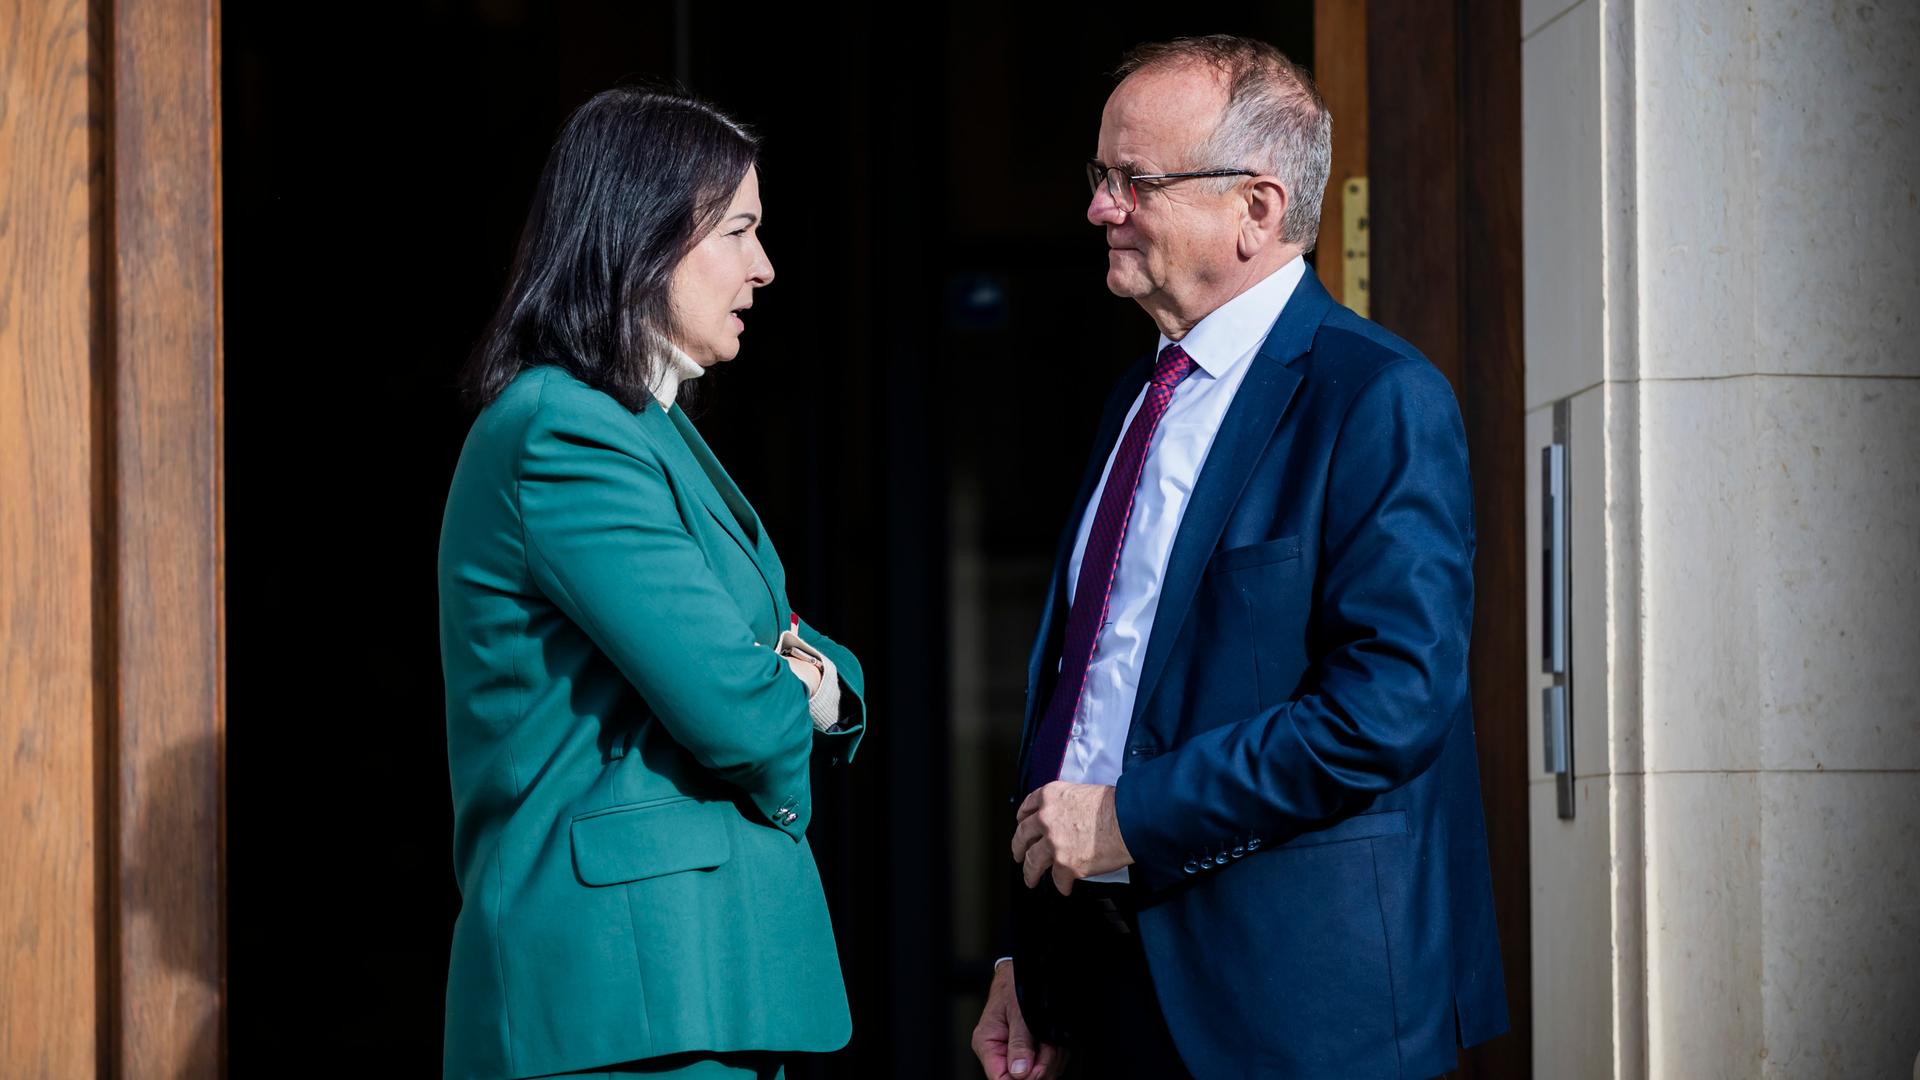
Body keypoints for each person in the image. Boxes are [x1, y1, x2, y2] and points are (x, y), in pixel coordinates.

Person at [970, 36, 1508, 1080]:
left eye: (1136, 181)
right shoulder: (1138, 399)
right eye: (1099, 177)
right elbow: (1088, 693)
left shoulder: (1376, 397)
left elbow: (1389, 705)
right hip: (1105, 993)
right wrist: (1027, 958)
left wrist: (1132, 819)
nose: (1100, 208)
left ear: (1256, 211)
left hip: (1301, 1011)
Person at [439, 87, 865, 1080]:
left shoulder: (642, 425)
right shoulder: (564, 430)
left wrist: (815, 682)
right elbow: (731, 702)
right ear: (642, 233)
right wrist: (784, 692)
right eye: (739, 231)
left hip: (684, 987)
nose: (764, 268)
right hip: (622, 1003)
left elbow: (772, 635)